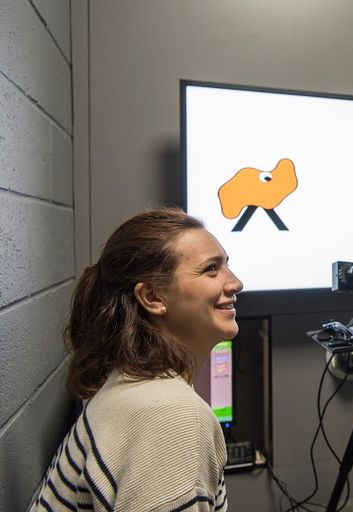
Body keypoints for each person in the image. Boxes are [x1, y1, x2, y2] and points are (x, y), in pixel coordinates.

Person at [31, 207, 243, 511]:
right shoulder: (170, 416)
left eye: (227, 266)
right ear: (153, 298)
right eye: (211, 269)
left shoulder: (136, 380)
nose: (235, 283)